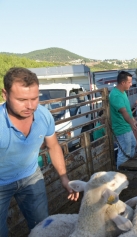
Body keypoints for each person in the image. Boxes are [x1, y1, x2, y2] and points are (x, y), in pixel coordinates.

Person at [0, 67, 79, 236]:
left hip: (30, 176)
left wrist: (64, 178)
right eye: (21, 99)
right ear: (5, 95)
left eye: (35, 98)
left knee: (42, 226)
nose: (30, 106)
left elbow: (53, 146)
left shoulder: (44, 116)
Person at [109, 71, 137, 169]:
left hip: (126, 126)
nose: (131, 84)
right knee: (124, 152)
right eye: (129, 82)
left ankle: (130, 166)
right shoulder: (116, 95)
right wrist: (132, 122)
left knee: (133, 145)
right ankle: (121, 172)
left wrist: (133, 120)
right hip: (121, 128)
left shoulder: (122, 92)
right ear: (123, 82)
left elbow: (127, 110)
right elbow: (124, 112)